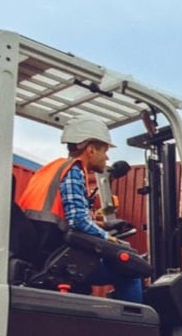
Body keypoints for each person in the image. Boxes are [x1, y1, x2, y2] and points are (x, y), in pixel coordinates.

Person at [17, 116, 143, 303]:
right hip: (56, 258)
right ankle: (136, 321)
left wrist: (103, 225)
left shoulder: (49, 169)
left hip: (39, 250)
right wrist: (108, 238)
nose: (107, 157)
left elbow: (61, 215)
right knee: (131, 272)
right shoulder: (73, 170)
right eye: (104, 151)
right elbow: (77, 220)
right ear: (91, 150)